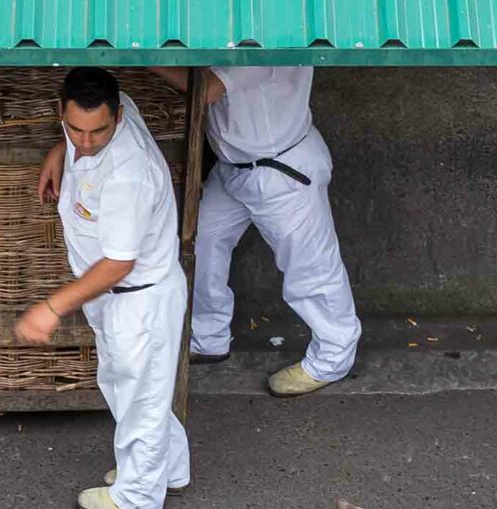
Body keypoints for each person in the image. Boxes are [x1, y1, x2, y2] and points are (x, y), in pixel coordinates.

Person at [15, 68, 189, 509]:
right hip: (116, 297)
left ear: (118, 117)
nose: (86, 142)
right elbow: (80, 136)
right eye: (75, 130)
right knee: (125, 386)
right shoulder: (107, 108)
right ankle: (167, 468)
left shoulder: (129, 174)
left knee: (141, 397)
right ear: (61, 111)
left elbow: (118, 264)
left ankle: (138, 496)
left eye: (97, 132)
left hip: (139, 296)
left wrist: (52, 308)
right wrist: (60, 151)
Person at [150, 67, 360, 397]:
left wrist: (146, 57)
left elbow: (207, 89)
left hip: (283, 172)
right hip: (232, 165)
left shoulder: (268, 40)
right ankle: (208, 337)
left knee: (311, 270)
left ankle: (333, 358)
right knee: (201, 244)